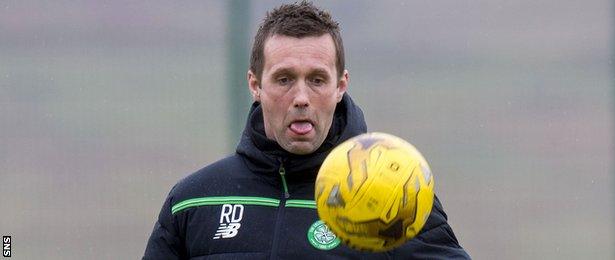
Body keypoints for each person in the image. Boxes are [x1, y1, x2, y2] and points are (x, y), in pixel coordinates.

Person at [143, 2, 470, 259]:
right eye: (284, 79)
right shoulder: (193, 200)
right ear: (255, 84)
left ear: (341, 85)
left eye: (317, 80)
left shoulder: (394, 196)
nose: (301, 98)